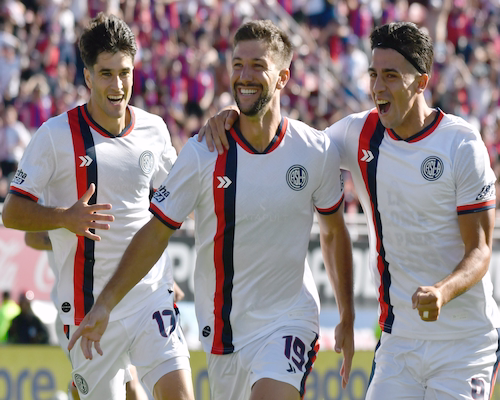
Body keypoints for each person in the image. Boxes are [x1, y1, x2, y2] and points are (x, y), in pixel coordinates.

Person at [203, 21, 500, 399]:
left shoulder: (462, 145)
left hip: (466, 343)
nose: (377, 87)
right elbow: (291, 147)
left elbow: (480, 251)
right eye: (374, 74)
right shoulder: (357, 133)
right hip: (400, 342)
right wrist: (237, 115)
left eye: (391, 76)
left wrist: (442, 292)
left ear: (421, 82)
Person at [67, 19, 355, 400]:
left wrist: (347, 316)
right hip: (224, 335)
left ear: (283, 77)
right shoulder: (204, 153)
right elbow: (155, 234)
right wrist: (104, 304)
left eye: (257, 66)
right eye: (237, 65)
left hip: (290, 322)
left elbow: (334, 232)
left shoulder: (315, 150)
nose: (244, 76)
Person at [2, 13, 194, 400]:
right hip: (87, 310)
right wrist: (64, 219)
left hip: (149, 296)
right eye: (106, 74)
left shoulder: (154, 130)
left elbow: (171, 205)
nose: (118, 85)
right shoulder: (56, 135)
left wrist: (162, 272)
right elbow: (12, 212)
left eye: (125, 72)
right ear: (88, 76)